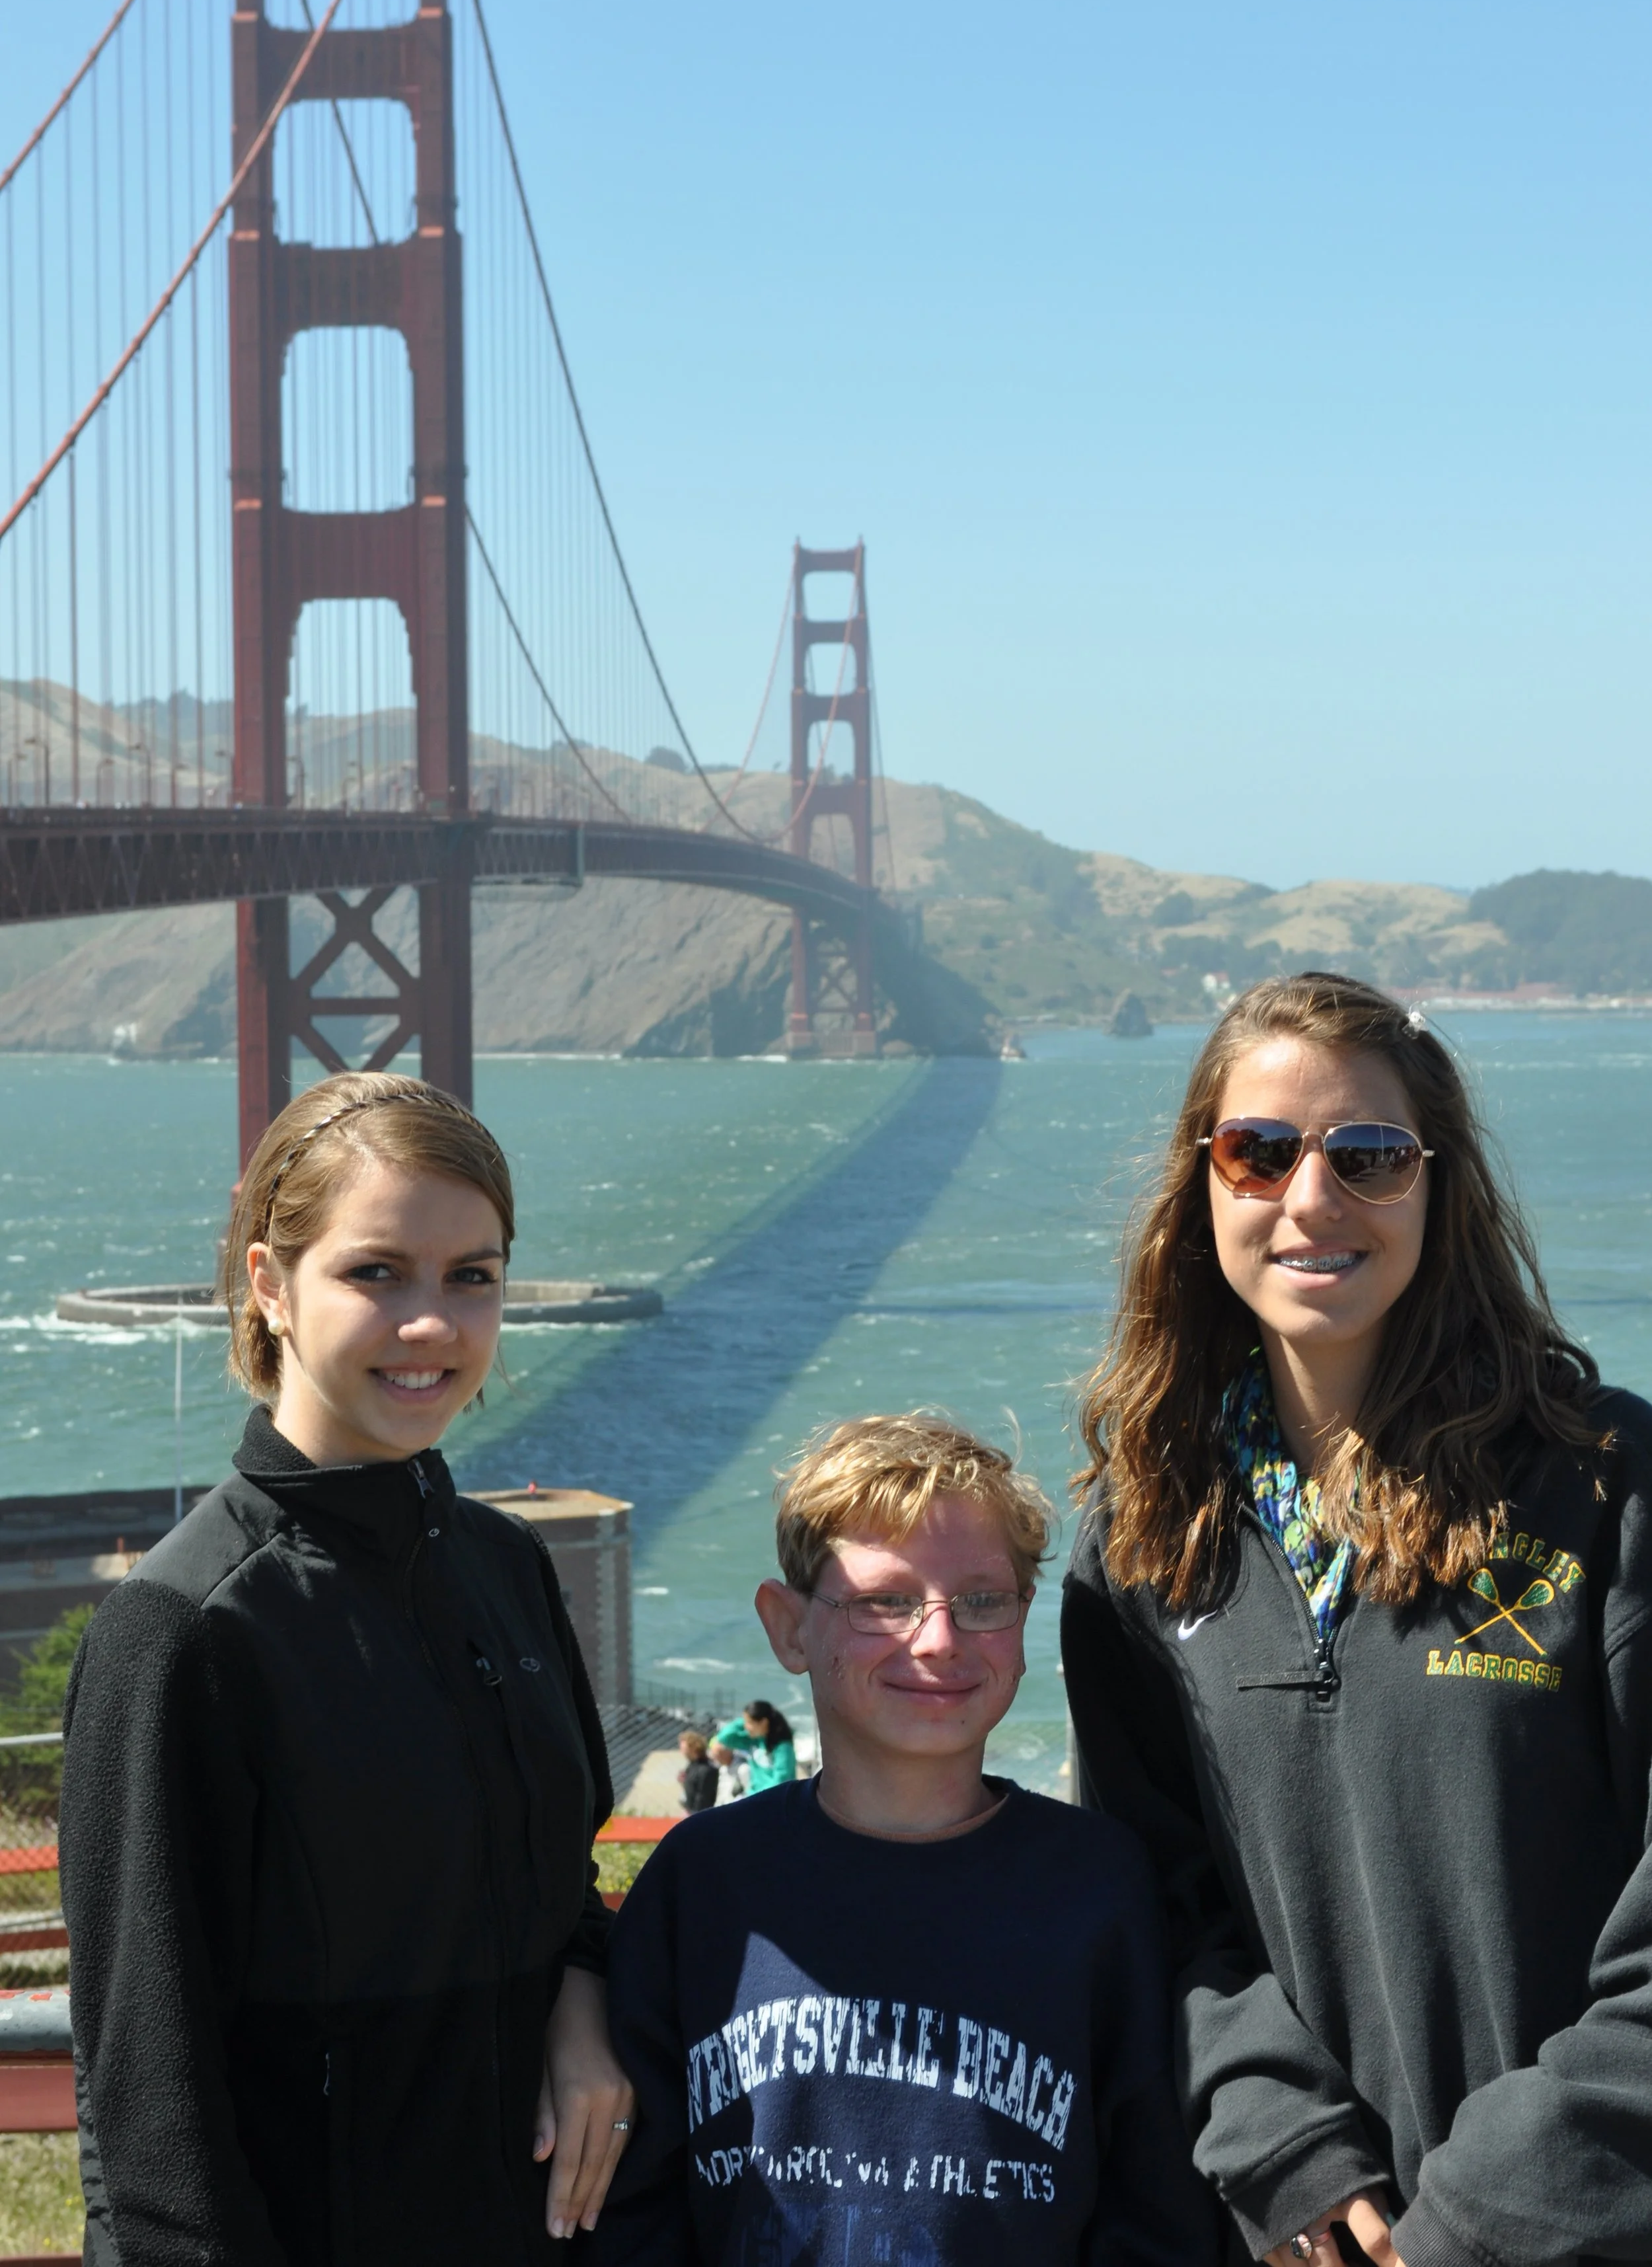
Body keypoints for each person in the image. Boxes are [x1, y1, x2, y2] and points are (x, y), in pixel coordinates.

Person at [1061, 972, 1652, 2267]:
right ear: (1200, 1184)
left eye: (1367, 1154)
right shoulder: (1142, 1541)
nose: (1309, 1199)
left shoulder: (1604, 1484)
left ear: (1434, 1186)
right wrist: (1283, 2150)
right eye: (1257, 1151)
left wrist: (1481, 2217)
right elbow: (1160, 1908)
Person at [59, 1072, 634, 2267]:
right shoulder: (185, 1630)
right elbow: (152, 2118)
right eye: (377, 1271)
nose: (432, 1322)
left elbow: (555, 1867)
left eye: (471, 1275)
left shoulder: (507, 1565)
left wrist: (582, 1994)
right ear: (270, 1285)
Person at [591, 1413, 1217, 2267]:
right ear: (788, 1626)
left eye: (982, 1600)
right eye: (884, 1601)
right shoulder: (701, 1885)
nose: (939, 1637)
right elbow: (631, 2212)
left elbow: (1157, 2215)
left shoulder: (1102, 1889)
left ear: (1025, 1618)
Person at [712, 1697, 797, 1791]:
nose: (745, 1726)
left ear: (764, 1722)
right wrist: (745, 1719)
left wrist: (759, 1798)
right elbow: (724, 1738)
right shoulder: (753, 1741)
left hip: (773, 1799)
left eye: (749, 1723)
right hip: (755, 1797)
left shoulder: (783, 1747)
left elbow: (781, 1779)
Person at [678, 1730, 719, 1815]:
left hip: (700, 1813)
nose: (681, 1750)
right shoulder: (692, 1766)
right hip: (691, 1809)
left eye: (684, 1747)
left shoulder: (706, 1769)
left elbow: (704, 1797)